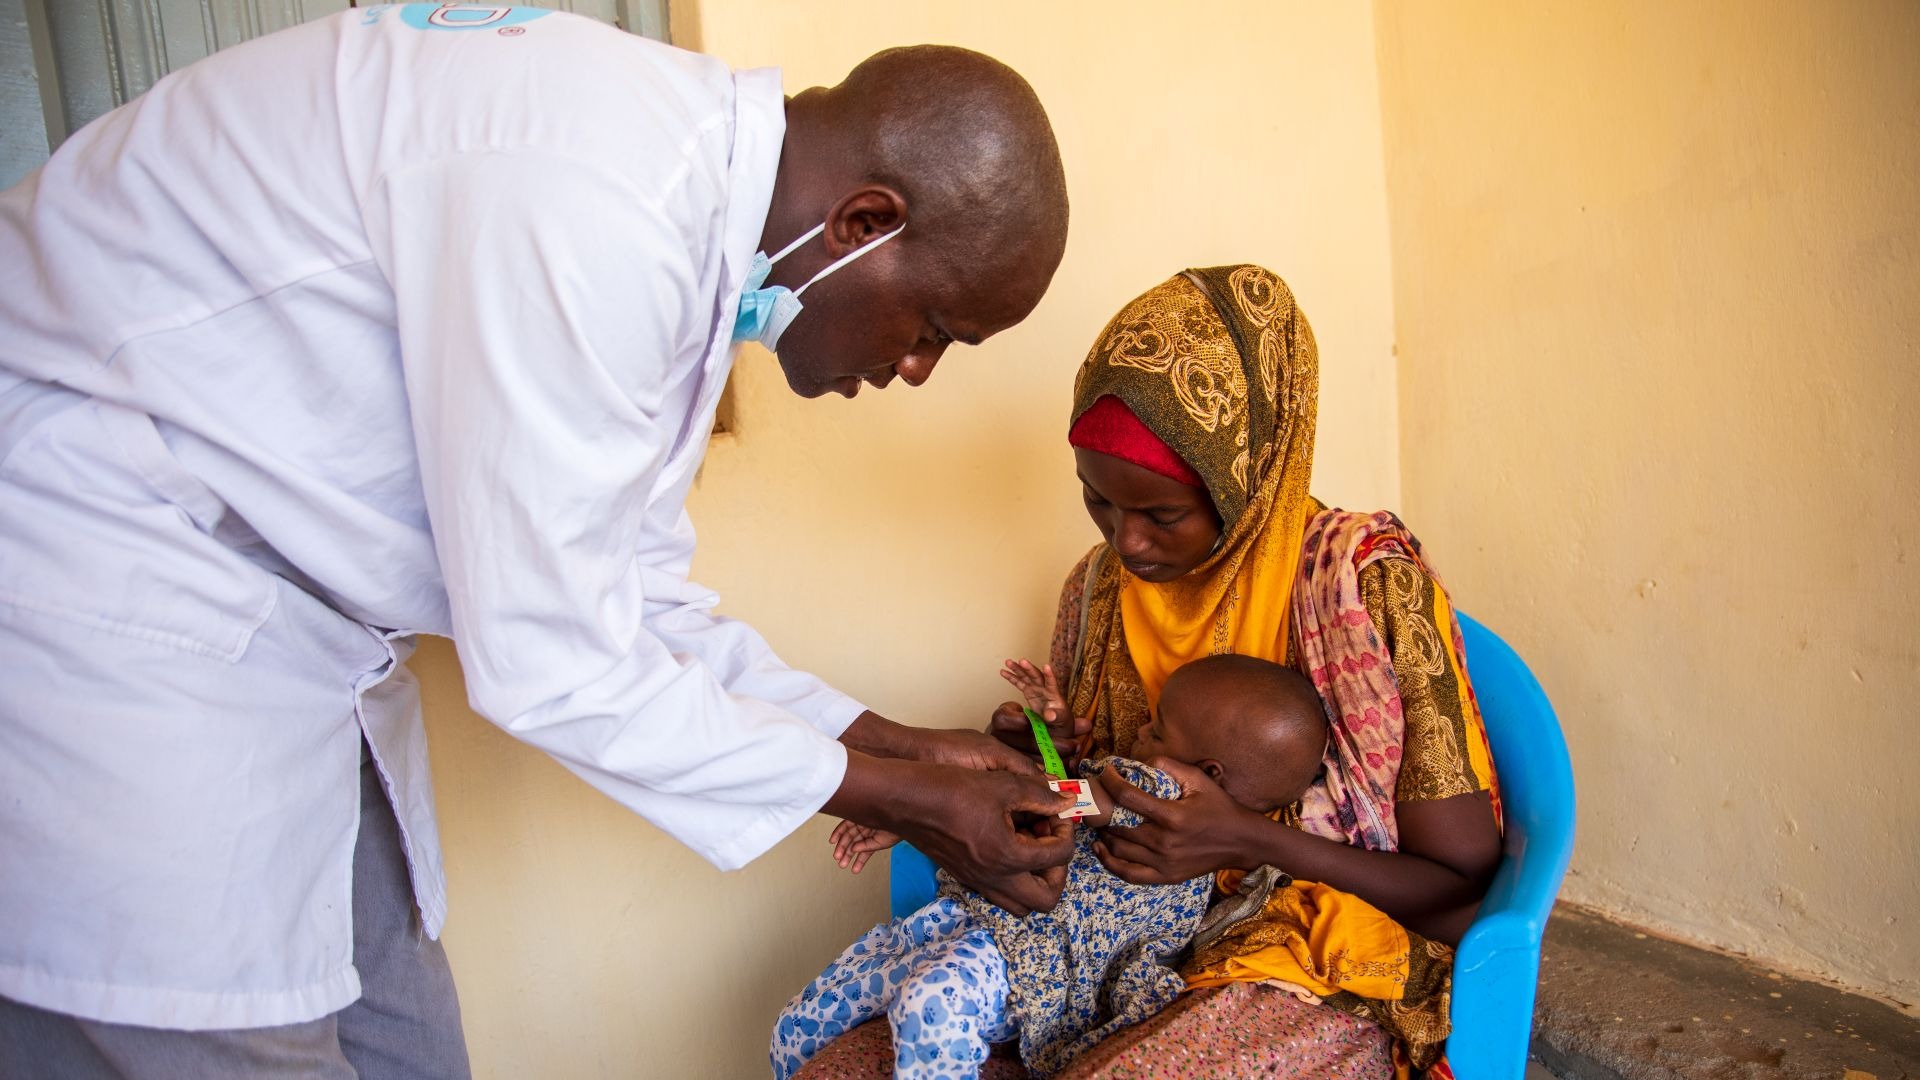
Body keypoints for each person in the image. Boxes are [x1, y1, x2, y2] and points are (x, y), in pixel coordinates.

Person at [0, 7, 1077, 1076]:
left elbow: (631, 596)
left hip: (272, 621)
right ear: (861, 223)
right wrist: (909, 800)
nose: (918, 369)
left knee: (404, 1045)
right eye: (935, 328)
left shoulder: (679, 206)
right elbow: (557, 659)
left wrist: (894, 741)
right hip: (102, 565)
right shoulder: (600, 206)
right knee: (212, 1028)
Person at [814, 265, 1504, 1079]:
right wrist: (1030, 758)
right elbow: (1108, 790)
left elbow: (1460, 891)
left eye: (1161, 513)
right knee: (844, 1062)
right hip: (1107, 938)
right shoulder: (1099, 589)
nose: (1126, 544)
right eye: (1098, 502)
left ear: (1249, 478)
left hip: (1310, 961)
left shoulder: (1364, 587)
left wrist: (1242, 838)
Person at [777, 654, 1330, 1080]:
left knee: (909, 1006)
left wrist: (935, 798)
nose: (1140, 731)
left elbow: (1066, 798)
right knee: (800, 1026)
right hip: (978, 934)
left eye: (1158, 729)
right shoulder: (1205, 842)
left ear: (1207, 772)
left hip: (1023, 959)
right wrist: (1045, 733)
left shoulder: (1165, 795)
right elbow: (1063, 795)